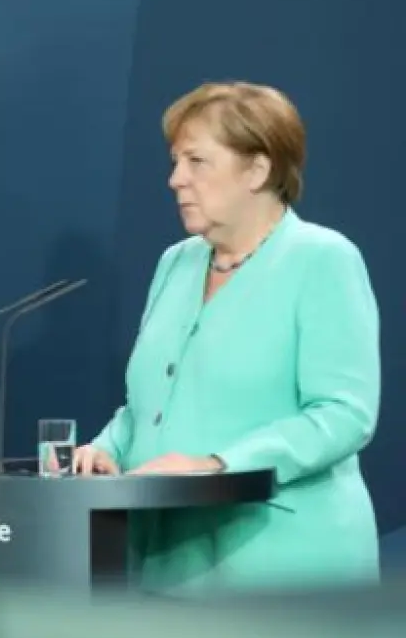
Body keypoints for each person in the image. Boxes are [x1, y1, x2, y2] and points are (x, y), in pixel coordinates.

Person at [72, 81, 380, 596]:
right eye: (175, 162)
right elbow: (150, 404)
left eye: (196, 161)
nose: (175, 179)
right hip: (168, 562)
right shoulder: (176, 262)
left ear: (257, 171)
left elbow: (343, 414)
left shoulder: (323, 260)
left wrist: (219, 466)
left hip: (286, 570)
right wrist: (106, 450)